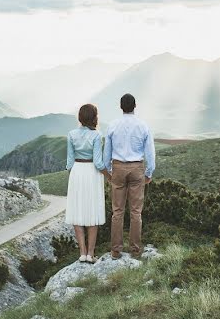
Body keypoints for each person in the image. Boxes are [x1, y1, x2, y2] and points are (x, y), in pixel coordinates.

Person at [103, 93, 156, 259]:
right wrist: (149, 173)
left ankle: (116, 250)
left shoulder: (112, 125)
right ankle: (135, 250)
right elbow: (150, 153)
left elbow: (107, 153)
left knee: (117, 211)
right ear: (135, 106)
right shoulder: (143, 126)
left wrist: (108, 171)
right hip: (137, 168)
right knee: (136, 212)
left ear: (121, 106)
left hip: (118, 167)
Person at [65, 103, 107, 263]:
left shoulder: (71, 134)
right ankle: (90, 254)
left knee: (78, 211)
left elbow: (69, 162)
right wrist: (108, 175)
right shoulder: (96, 135)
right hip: (92, 173)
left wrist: (74, 175)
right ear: (94, 117)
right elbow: (98, 162)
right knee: (92, 212)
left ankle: (81, 253)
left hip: (77, 171)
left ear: (80, 117)